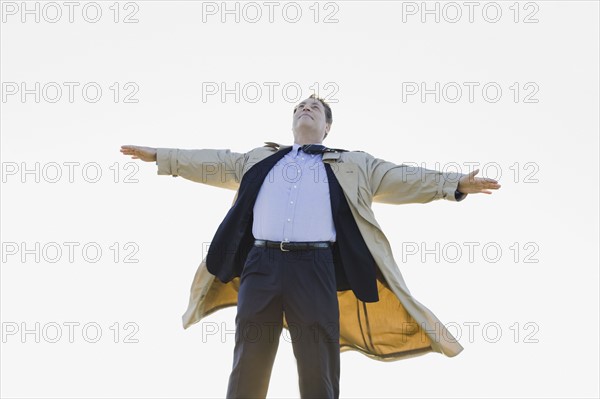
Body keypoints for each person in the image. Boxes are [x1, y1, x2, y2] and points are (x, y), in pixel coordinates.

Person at [120, 95, 501, 398]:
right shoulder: (261, 158)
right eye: (300, 106)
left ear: (327, 126)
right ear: (293, 122)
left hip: (315, 268)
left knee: (317, 364)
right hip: (260, 265)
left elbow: (404, 177)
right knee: (249, 358)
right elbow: (214, 161)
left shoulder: (355, 164)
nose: (306, 109)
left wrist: (454, 184)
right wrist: (161, 156)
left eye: (315, 108)